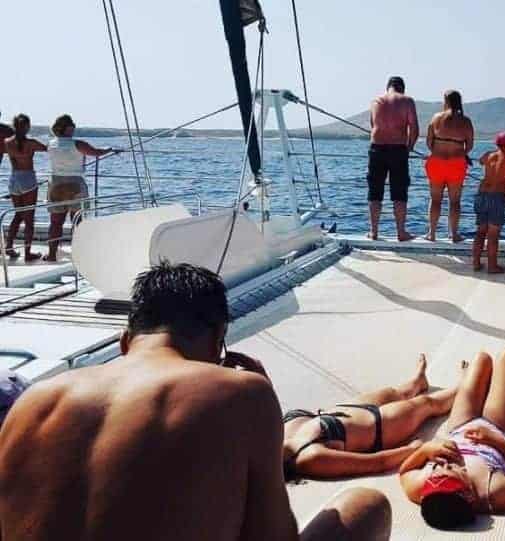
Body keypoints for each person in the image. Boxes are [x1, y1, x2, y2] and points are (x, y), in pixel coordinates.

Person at [0, 262, 391, 541]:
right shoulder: (242, 393)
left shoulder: (35, 399)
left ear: (125, 340)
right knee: (367, 506)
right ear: (217, 340)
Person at [398, 348, 505, 530]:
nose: (444, 465)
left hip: (460, 427)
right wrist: (497, 441)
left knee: (481, 359)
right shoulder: (495, 491)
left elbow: (404, 472)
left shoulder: (427, 488)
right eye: (451, 469)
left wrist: (426, 450)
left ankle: (504, 403)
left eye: (436, 467)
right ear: (469, 493)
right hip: (499, 429)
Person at [284, 354, 457, 480]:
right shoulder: (310, 458)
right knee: (428, 404)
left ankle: (418, 382)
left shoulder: (276, 434)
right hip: (381, 426)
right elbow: (376, 463)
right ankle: (466, 385)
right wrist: (413, 449)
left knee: (396, 392)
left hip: (344, 411)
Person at [45, 114, 114, 262]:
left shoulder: (50, 144)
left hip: (56, 183)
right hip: (75, 183)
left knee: (56, 222)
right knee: (77, 221)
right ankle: (80, 253)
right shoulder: (77, 144)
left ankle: (51, 254)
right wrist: (109, 149)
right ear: (68, 128)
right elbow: (96, 152)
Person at [367, 76, 419, 241]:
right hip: (398, 150)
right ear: (402, 88)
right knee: (399, 192)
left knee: (375, 191)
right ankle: (401, 232)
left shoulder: (375, 101)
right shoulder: (407, 101)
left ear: (387, 86)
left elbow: (372, 124)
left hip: (377, 149)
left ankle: (374, 231)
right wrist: (409, 147)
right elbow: (415, 129)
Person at [425, 90, 474, 243]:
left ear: (445, 101)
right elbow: (470, 145)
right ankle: (453, 234)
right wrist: (460, 153)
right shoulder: (466, 121)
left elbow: (428, 142)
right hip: (456, 164)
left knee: (435, 200)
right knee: (455, 201)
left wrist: (437, 151)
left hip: (436, 162)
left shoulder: (436, 118)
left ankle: (431, 233)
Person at [472, 132, 505, 273]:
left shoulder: (488, 155)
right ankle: (492, 266)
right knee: (493, 235)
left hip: (481, 195)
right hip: (498, 197)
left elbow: (481, 161)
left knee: (480, 232)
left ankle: (476, 263)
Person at [4, 114, 48, 261]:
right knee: (29, 218)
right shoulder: (32, 143)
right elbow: (49, 149)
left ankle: (9, 247)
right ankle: (28, 253)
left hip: (14, 179)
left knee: (17, 215)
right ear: (28, 127)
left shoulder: (7, 142)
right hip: (28, 178)